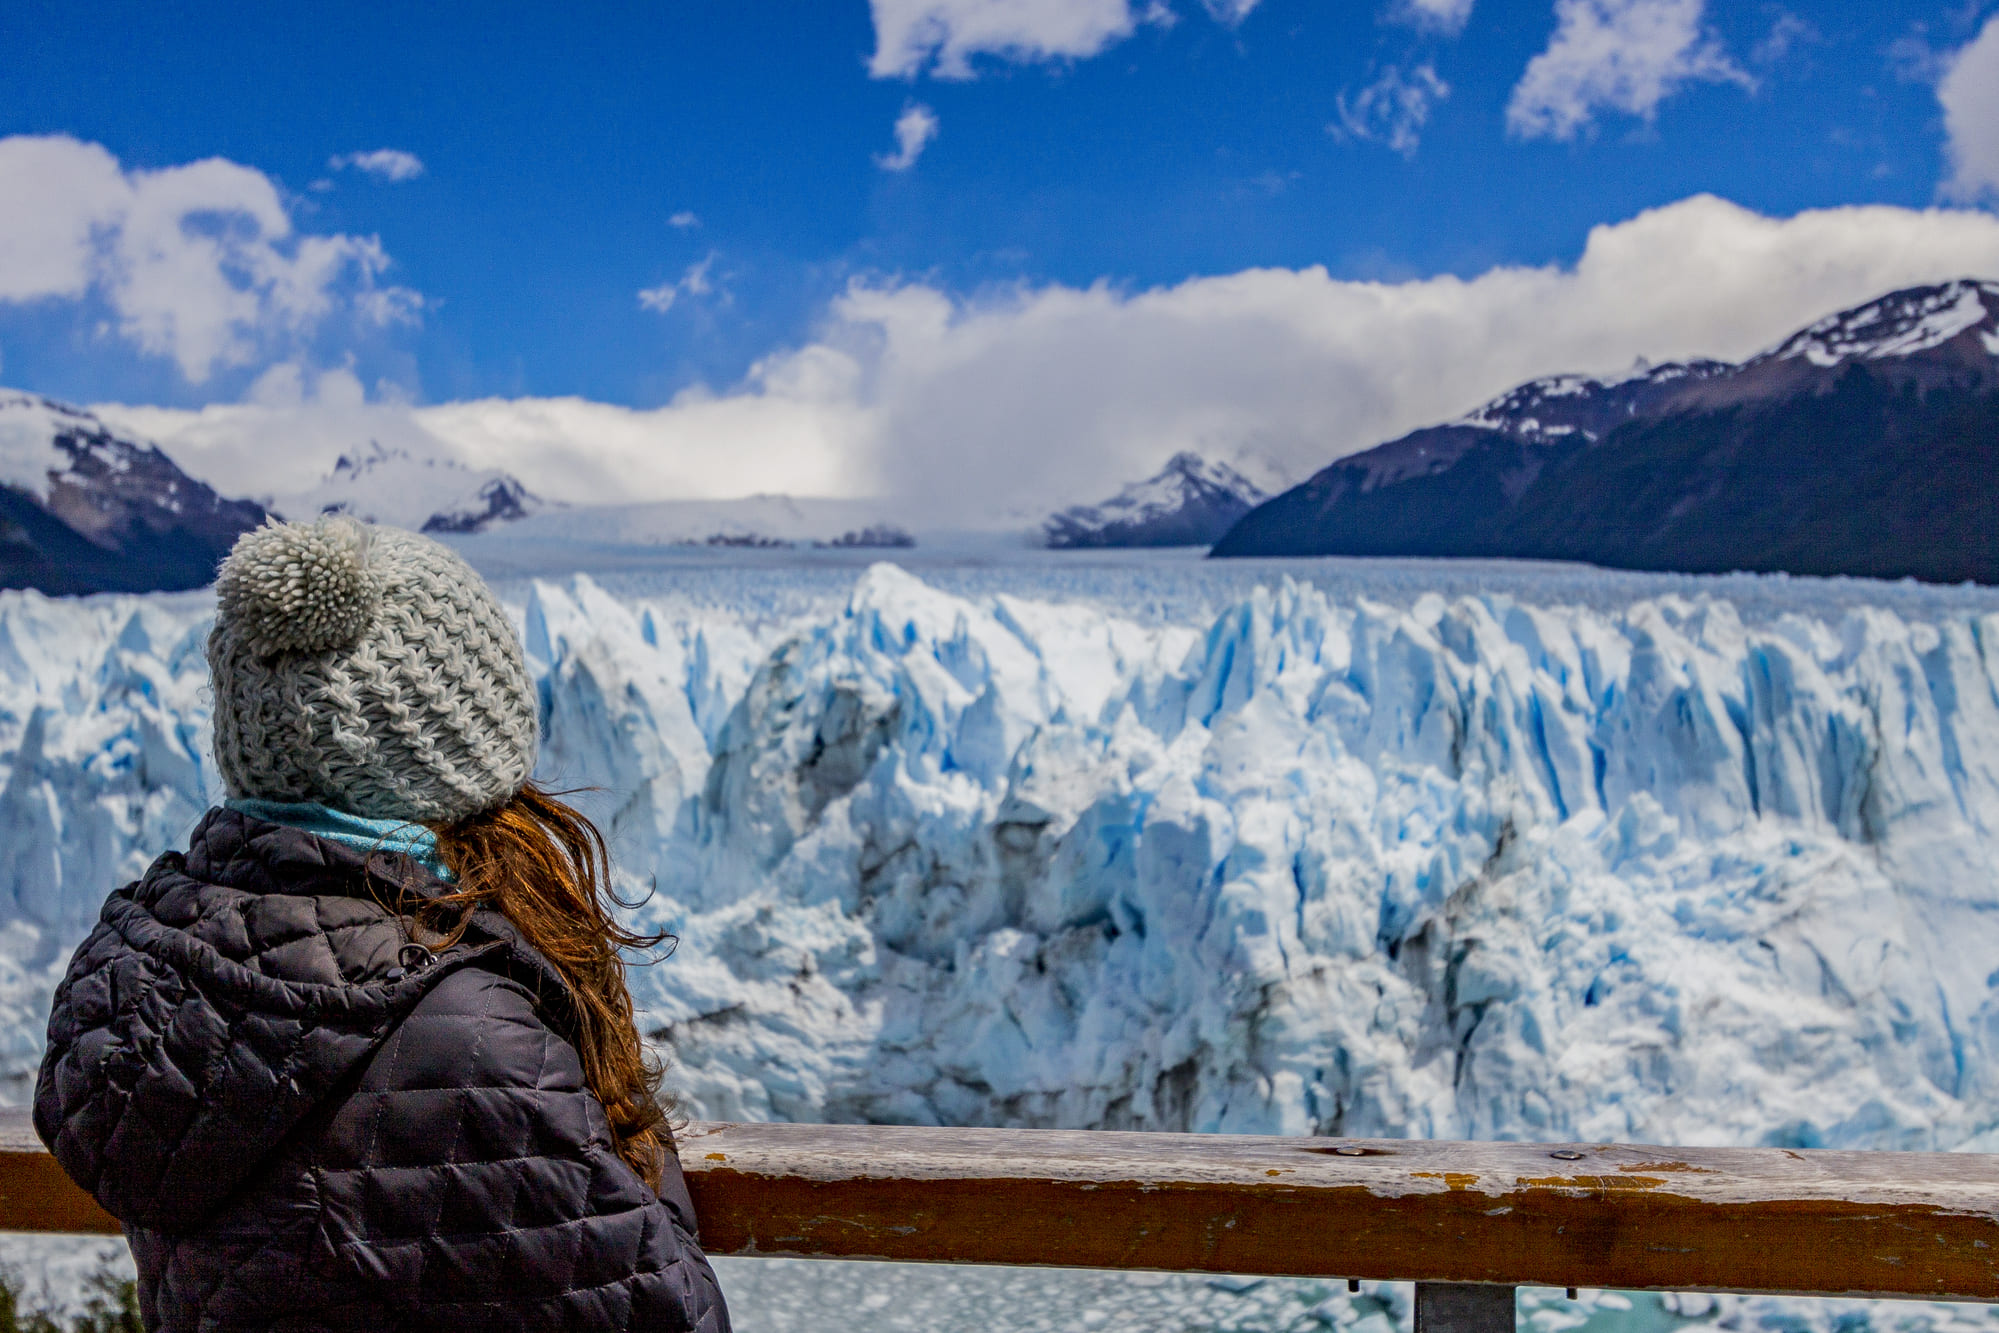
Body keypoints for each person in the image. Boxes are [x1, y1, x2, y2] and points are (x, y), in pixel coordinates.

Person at [33, 517, 732, 1333]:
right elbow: (674, 1315)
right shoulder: (459, 1038)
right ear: (456, 744)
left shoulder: (147, 976)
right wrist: (632, 1135)